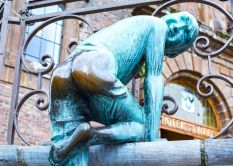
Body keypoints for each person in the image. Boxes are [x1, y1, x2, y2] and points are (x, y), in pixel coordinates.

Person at [48, 11, 199, 165]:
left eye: (185, 33)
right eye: (182, 18)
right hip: (95, 67)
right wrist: (152, 140)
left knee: (68, 156)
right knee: (141, 127)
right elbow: (153, 79)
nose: (178, 26)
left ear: (175, 51)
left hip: (61, 76)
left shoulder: (137, 26)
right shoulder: (158, 25)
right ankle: (91, 135)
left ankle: (77, 140)